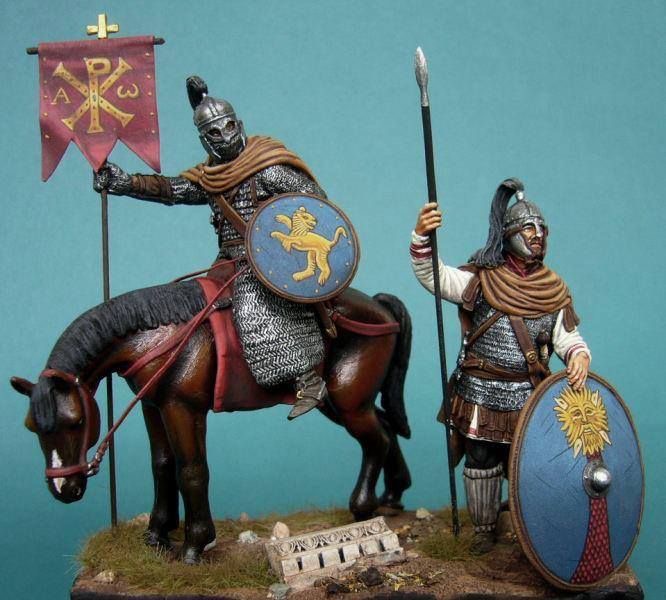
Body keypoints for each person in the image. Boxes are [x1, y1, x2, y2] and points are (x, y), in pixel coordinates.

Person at [94, 75, 327, 419]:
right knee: (191, 309)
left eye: (229, 127)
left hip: (269, 261)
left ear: (239, 124)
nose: (225, 136)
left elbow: (315, 201)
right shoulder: (210, 177)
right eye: (215, 132)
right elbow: (173, 189)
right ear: (204, 139)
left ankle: (308, 379)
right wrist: (126, 182)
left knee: (252, 304)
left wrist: (282, 231)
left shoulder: (268, 170)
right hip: (227, 260)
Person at [410, 178, 591, 553]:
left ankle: (530, 530)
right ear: (508, 235)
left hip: (529, 393)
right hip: (481, 389)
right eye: (529, 228)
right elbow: (435, 276)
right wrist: (422, 236)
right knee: (481, 459)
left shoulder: (554, 290)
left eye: (541, 229)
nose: (537, 235)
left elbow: (567, 337)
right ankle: (483, 529)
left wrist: (578, 355)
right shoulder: (481, 281)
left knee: (529, 463)